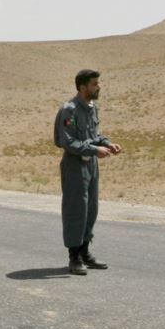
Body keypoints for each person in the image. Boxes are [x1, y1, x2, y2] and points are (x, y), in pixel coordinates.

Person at [53, 69, 122, 275]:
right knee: (76, 209)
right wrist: (94, 149)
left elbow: (94, 134)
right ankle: (74, 256)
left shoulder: (92, 108)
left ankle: (85, 251)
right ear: (82, 87)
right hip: (74, 165)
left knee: (91, 208)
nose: (98, 87)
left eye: (98, 83)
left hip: (91, 165)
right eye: (94, 84)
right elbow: (68, 141)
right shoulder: (70, 110)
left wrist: (108, 144)